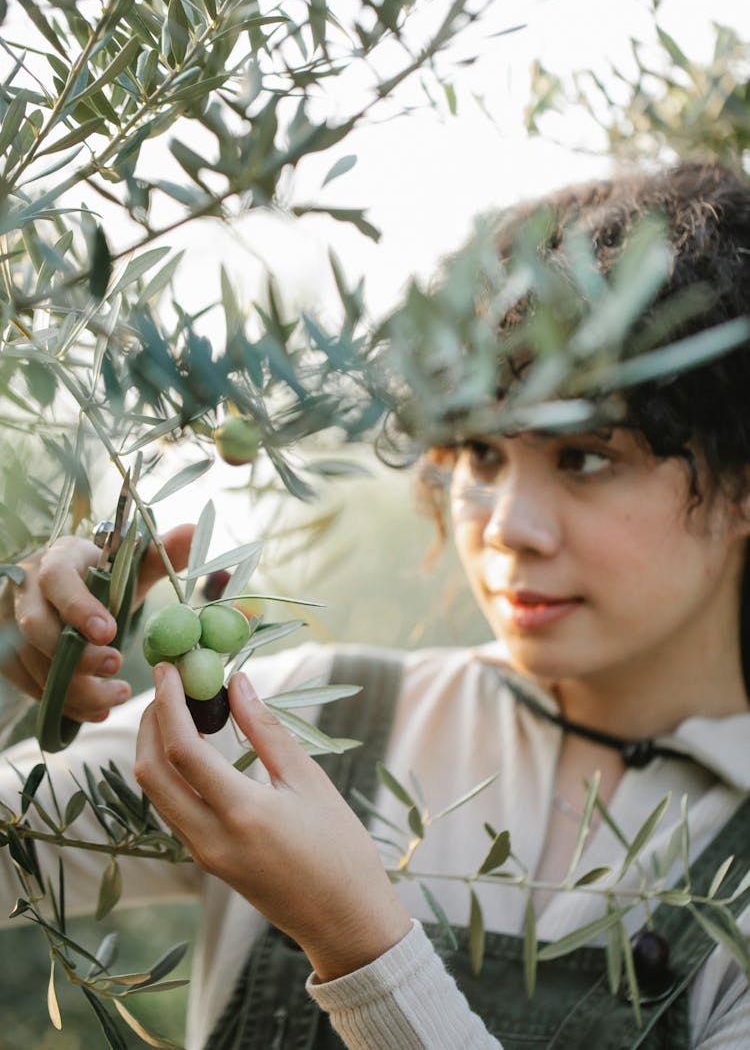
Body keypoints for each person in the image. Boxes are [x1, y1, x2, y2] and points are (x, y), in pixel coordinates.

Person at [1, 159, 750, 1050]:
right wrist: (18, 664)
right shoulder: (289, 721)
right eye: (477, 455)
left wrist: (357, 943)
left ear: (741, 483)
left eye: (585, 456)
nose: (507, 527)